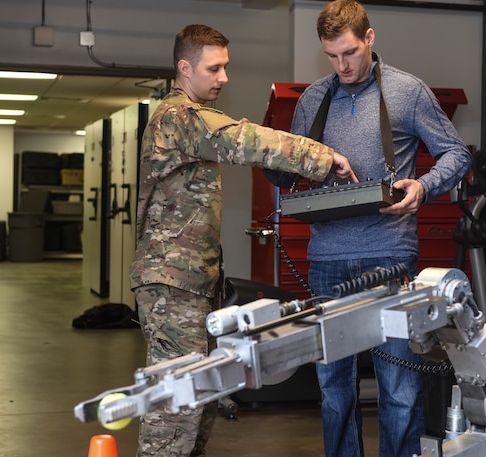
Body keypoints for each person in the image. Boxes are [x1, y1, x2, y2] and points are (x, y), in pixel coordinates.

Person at [129, 24, 356, 457]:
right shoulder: (176, 116)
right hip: (171, 285)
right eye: (214, 68)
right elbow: (244, 140)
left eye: (225, 67)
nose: (223, 78)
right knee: (177, 404)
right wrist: (323, 158)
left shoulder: (187, 116)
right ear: (184, 68)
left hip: (192, 282)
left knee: (202, 398)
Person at [265, 0, 472, 457]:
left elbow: (456, 155)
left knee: (398, 387)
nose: (342, 65)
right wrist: (266, 151)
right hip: (325, 264)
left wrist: (422, 186)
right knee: (334, 392)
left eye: (350, 53)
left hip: (390, 257)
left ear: (370, 39)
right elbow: (284, 171)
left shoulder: (407, 91)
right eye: (332, 56)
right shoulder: (314, 99)